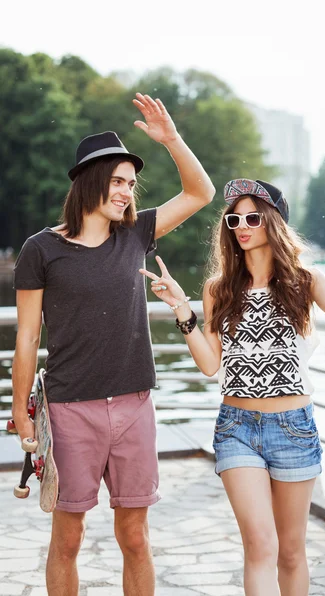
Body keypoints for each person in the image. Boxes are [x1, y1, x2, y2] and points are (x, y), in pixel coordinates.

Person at [12, 93, 215, 596]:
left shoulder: (137, 233)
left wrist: (171, 139)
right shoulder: (41, 250)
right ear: (89, 182)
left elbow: (200, 193)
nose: (126, 192)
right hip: (68, 410)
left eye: (130, 183)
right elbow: (26, 337)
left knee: (135, 537)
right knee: (67, 540)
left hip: (134, 404)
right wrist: (20, 412)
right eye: (117, 181)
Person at [140, 178, 325, 596]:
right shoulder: (219, 288)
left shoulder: (304, 279)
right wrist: (181, 308)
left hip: (293, 428)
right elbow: (211, 364)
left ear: (272, 221)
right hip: (237, 429)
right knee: (260, 545)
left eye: (251, 217)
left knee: (291, 551)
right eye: (234, 219)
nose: (241, 226)